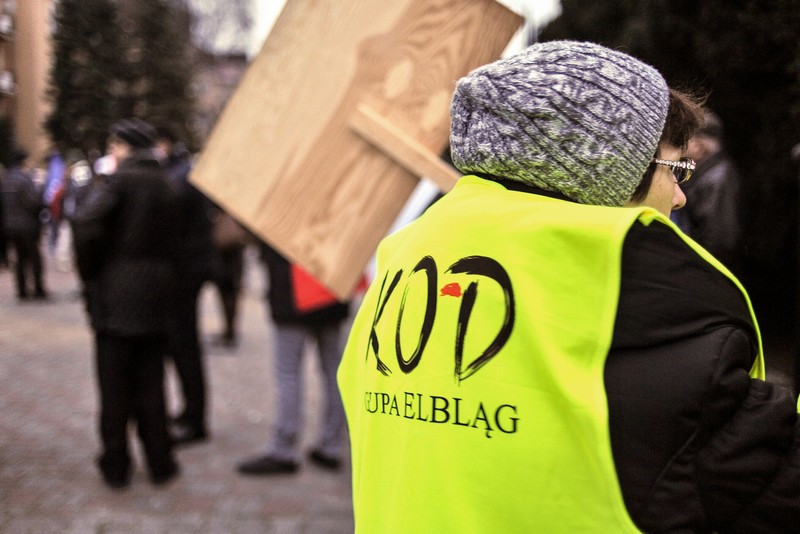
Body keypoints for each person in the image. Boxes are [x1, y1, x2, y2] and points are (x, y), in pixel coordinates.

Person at [337, 41, 800, 532]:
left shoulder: (402, 266)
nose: (681, 195)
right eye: (675, 169)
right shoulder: (640, 318)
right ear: (609, 169)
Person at [71, 118, 180, 489]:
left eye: (114, 145)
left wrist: (92, 272)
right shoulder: (168, 184)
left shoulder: (119, 182)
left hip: (116, 300)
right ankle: (160, 459)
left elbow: (84, 223)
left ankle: (116, 463)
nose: (111, 152)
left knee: (114, 387)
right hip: (158, 298)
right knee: (152, 383)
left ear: (126, 147)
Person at [237, 242, 351, 475]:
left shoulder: (286, 209)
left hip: (293, 294)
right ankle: (331, 444)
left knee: (289, 373)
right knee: (333, 371)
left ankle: (284, 447)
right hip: (331, 288)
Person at [153, 125, 216, 446]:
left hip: (184, 274)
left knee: (185, 346)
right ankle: (191, 413)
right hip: (187, 271)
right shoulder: (181, 171)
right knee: (183, 346)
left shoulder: (179, 176)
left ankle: (195, 419)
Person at [672, 110, 743, 272]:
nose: (679, 148)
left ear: (699, 146)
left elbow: (719, 238)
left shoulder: (717, 177)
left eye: (683, 141)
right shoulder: (709, 173)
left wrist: (699, 271)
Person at [0, 148, 48, 300]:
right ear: (24, 161)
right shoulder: (24, 178)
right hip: (27, 226)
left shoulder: (6, 179)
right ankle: (38, 289)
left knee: (20, 259)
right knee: (34, 259)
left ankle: (21, 290)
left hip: (11, 226)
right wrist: (41, 193)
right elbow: (33, 203)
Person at [209, 205, 250, 348]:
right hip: (234, 245)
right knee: (231, 289)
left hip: (227, 246)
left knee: (228, 288)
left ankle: (230, 330)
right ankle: (230, 329)